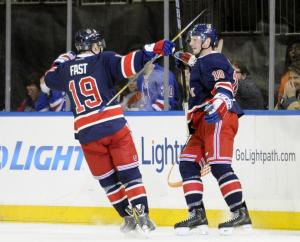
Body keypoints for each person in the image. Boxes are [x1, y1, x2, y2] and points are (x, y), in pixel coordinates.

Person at [43, 28, 175, 233]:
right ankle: (143, 216)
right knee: (130, 174)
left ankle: (128, 218)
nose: (100, 46)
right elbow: (129, 64)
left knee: (109, 181)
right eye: (98, 43)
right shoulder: (103, 59)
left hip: (87, 133)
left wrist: (63, 58)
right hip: (113, 126)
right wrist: (152, 49)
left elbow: (48, 79)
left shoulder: (66, 68)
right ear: (93, 45)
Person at [173, 24, 252, 235]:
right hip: (202, 121)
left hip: (217, 116)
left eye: (196, 39)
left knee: (219, 166)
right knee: (188, 163)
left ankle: (240, 213)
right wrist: (177, 54)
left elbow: (224, 87)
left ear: (208, 41)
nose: (191, 42)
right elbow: (199, 65)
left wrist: (218, 106)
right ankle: (197, 215)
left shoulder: (214, 59)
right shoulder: (206, 60)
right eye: (191, 39)